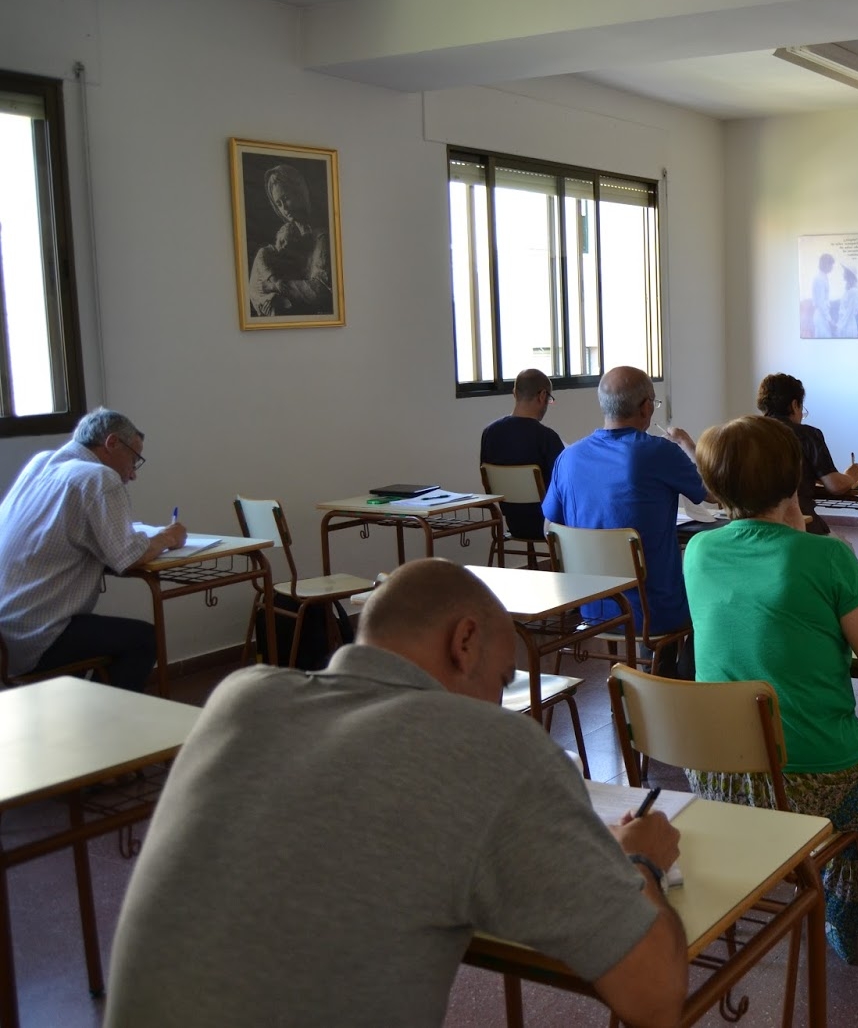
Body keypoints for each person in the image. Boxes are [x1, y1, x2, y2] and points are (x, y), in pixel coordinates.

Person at [104, 559, 688, 1028]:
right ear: (465, 642)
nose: (498, 701)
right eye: (501, 680)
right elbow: (654, 998)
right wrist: (638, 861)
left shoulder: (241, 695)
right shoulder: (493, 746)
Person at [683, 415, 858, 959]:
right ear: (795, 479)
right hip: (812, 776)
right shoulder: (826, 555)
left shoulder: (699, 553)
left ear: (715, 487)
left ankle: (848, 890)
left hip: (718, 775)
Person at [0, 408, 187, 691]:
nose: (133, 475)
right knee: (145, 639)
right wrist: (167, 538)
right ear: (112, 443)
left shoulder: (39, 464)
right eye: (135, 460)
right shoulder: (99, 477)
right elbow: (129, 556)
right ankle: (103, 723)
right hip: (36, 636)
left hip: (7, 632)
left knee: (93, 633)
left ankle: (76, 712)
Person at [542, 367, 705, 667]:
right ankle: (672, 684)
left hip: (592, 607)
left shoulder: (569, 458)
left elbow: (550, 527)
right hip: (653, 612)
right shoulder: (657, 452)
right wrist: (689, 446)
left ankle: (647, 685)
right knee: (710, 599)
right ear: (645, 407)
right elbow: (713, 491)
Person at [756, 372, 858, 535]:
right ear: (794, 405)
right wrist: (851, 476)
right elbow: (835, 486)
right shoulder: (806, 434)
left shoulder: (747, 433)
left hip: (752, 525)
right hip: (799, 523)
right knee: (844, 549)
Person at [480, 367, 565, 540]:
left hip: (513, 522)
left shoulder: (489, 433)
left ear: (514, 393)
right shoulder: (546, 437)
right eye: (549, 399)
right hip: (549, 525)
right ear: (542, 396)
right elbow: (566, 485)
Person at [246, 162, 333, 317]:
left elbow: (319, 291)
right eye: (278, 203)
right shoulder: (284, 237)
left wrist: (272, 286)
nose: (284, 208)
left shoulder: (321, 237)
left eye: (286, 198)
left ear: (299, 192)